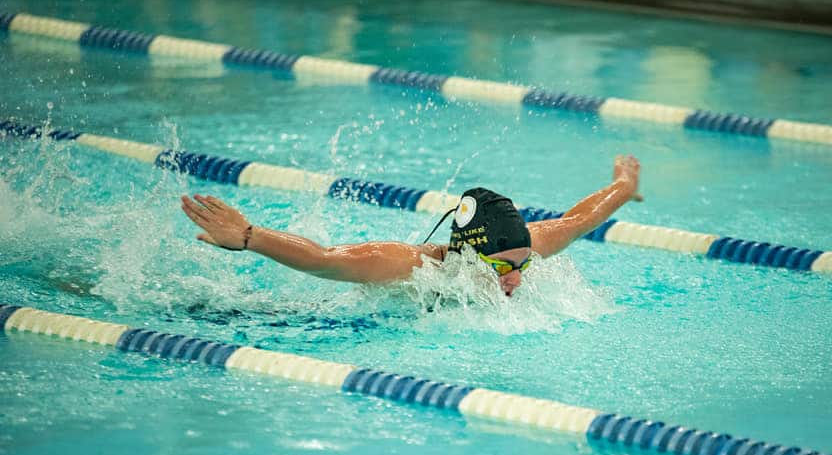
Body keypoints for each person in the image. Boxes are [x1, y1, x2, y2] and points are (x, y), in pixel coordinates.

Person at [180, 155, 640, 297]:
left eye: (523, 265)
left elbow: (579, 220)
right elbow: (322, 260)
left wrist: (622, 184)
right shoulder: (404, 265)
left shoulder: (519, 247)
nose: (517, 279)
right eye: (503, 270)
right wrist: (247, 237)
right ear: (469, 252)